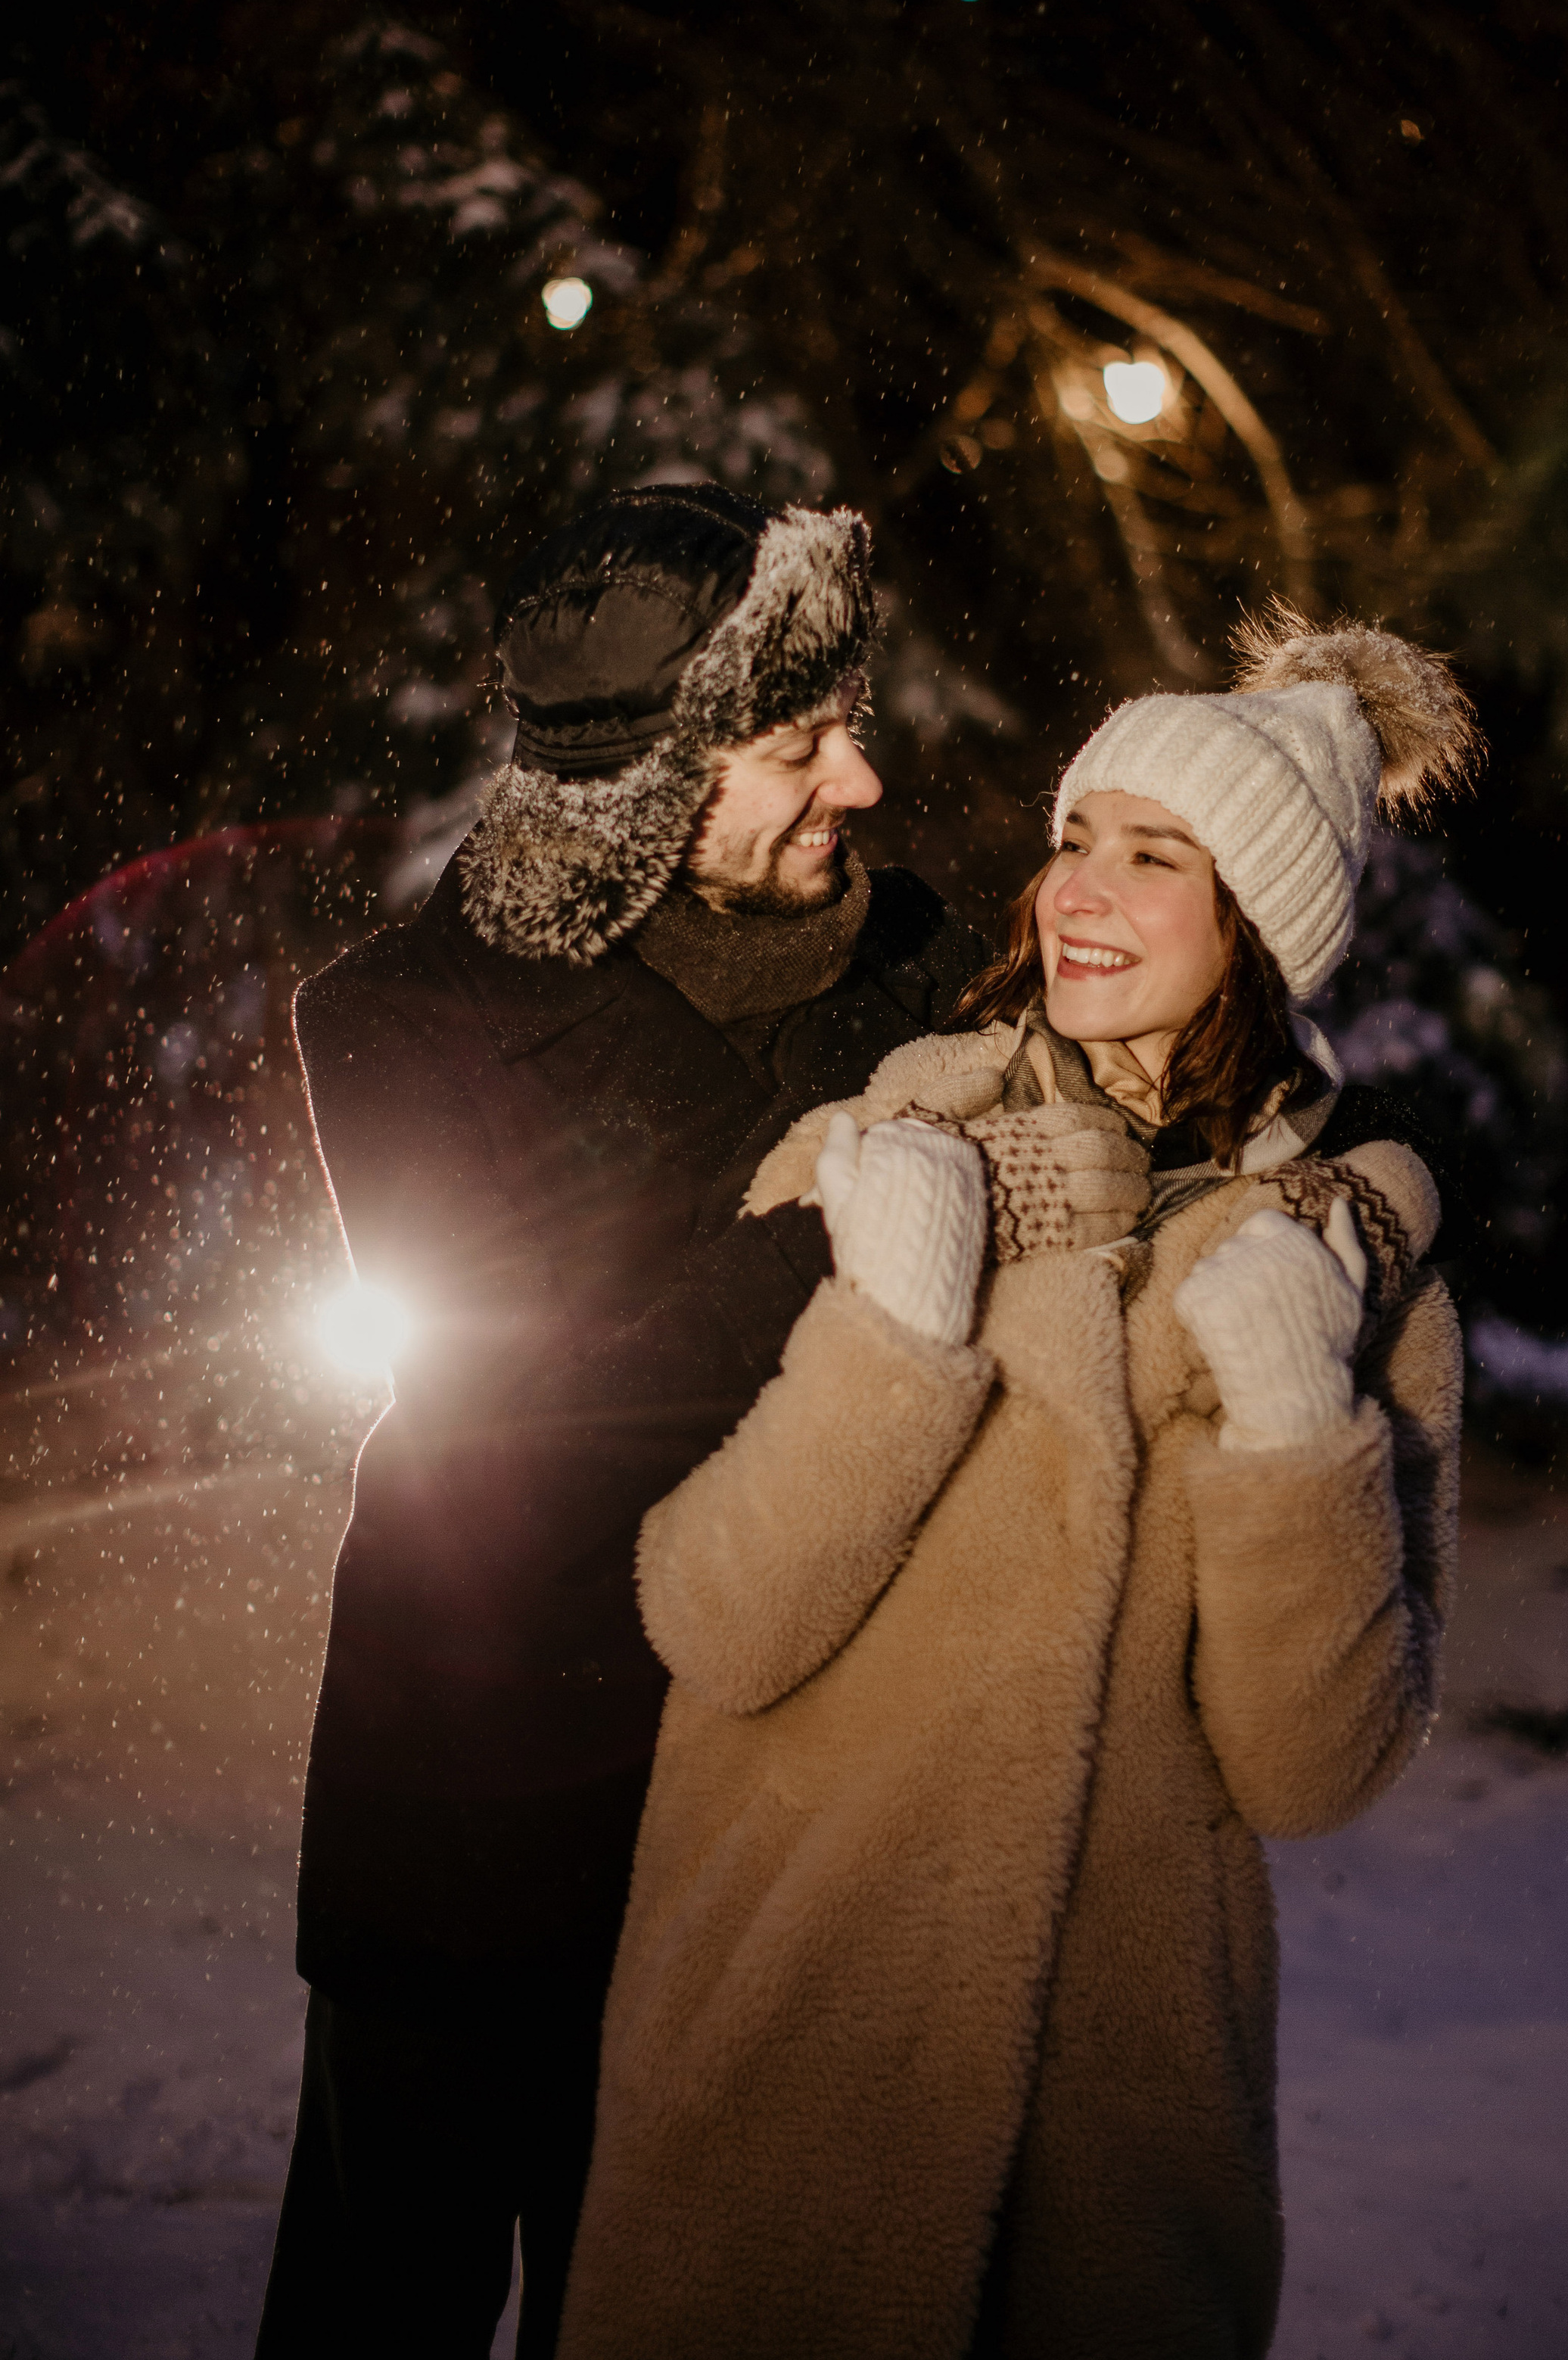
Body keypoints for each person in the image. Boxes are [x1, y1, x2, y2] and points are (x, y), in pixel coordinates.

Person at [255, 483, 1145, 2359]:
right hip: (475, 1819)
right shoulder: (403, 1026)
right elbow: (511, 1444)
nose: (863, 783)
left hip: (774, 1842)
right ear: (649, 779)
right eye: (798, 741)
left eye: (853, 725)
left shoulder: (920, 968)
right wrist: (855, 1226)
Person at [556, 606, 1479, 2360]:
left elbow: (1311, 1767)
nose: (1077, 887)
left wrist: (1297, 1422)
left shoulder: (1354, 1287)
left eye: (1150, 856)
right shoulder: (897, 1136)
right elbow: (714, 1618)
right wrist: (894, 1329)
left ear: (1258, 927)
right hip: (782, 2079)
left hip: (1120, 2155)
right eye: (1072, 839)